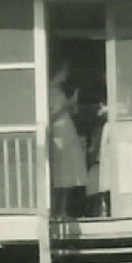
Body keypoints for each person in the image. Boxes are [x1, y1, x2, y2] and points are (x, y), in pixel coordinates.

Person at [48, 58, 88, 217]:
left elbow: (67, 112)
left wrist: (73, 105)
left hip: (67, 131)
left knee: (68, 174)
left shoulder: (59, 90)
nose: (66, 76)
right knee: (59, 174)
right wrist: (64, 106)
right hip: (57, 134)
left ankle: (63, 211)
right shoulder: (48, 90)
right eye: (64, 72)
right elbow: (48, 116)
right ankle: (55, 211)